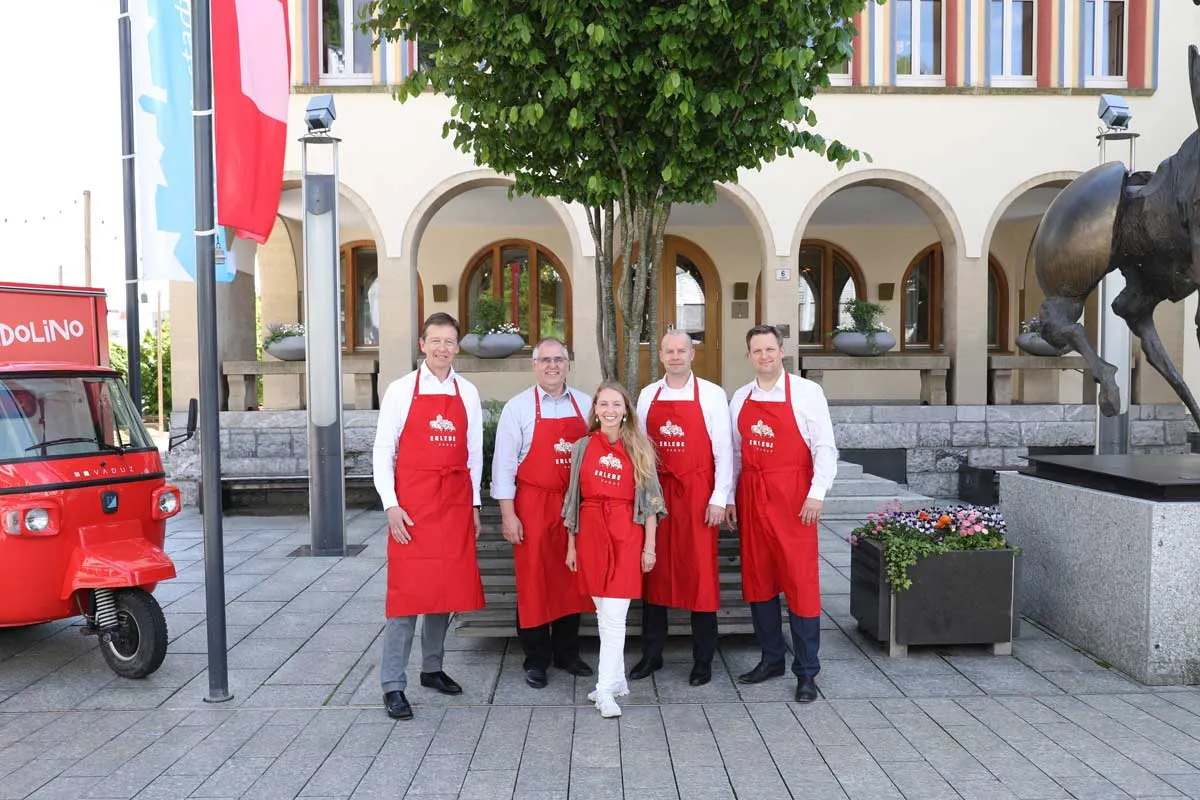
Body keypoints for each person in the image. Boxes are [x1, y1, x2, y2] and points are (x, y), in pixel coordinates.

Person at [372, 312, 485, 720]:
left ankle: (432, 668)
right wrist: (390, 504)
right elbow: (383, 451)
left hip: (454, 503)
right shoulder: (402, 390)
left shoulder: (467, 391)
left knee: (444, 592)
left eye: (449, 342)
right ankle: (392, 684)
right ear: (422, 344)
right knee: (406, 597)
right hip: (413, 507)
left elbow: (473, 453)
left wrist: (473, 505)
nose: (442, 348)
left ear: (457, 347)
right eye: (435, 341)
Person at [726, 324, 837, 704]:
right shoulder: (740, 398)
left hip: (794, 501)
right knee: (759, 580)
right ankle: (771, 657)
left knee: (800, 583)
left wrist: (816, 494)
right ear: (749, 355)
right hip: (753, 498)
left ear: (782, 351)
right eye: (757, 351)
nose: (764, 356)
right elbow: (737, 454)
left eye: (770, 349)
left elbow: (825, 447)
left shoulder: (807, 393)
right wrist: (728, 497)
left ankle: (806, 671)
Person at [491, 338, 595, 689]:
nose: (552, 366)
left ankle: (567, 653)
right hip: (533, 505)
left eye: (559, 359)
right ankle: (536, 658)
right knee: (534, 580)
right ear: (534, 366)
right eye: (545, 360)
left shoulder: (585, 405)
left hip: (573, 507)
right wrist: (509, 515)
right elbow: (503, 467)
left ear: (568, 364)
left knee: (570, 579)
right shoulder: (518, 408)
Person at [631, 330, 732, 686]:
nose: (674, 357)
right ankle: (651, 655)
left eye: (681, 351)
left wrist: (720, 498)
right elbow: (639, 448)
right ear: (660, 355)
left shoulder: (711, 394)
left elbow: (724, 451)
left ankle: (703, 659)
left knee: (700, 575)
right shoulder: (647, 395)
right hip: (658, 495)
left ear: (693, 354)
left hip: (697, 496)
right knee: (653, 571)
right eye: (668, 351)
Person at [562, 382, 666, 718]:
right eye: (603, 404)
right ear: (595, 409)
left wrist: (649, 548)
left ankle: (604, 690)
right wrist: (572, 546)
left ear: (625, 411)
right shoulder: (581, 447)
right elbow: (573, 500)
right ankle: (618, 679)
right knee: (602, 612)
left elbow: (651, 503)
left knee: (614, 618)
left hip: (626, 533)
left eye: (616, 405)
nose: (609, 410)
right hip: (591, 533)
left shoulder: (639, 447)